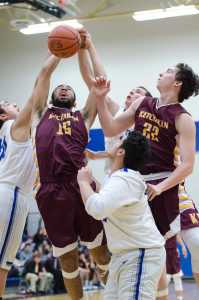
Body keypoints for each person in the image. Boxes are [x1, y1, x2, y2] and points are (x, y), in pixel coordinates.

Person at [89, 63, 199, 300]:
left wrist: (160, 187)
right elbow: (110, 129)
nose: (161, 73)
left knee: (195, 243)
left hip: (163, 184)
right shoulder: (142, 103)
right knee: (147, 249)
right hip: (136, 182)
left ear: (177, 83)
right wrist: (100, 99)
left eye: (168, 71)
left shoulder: (183, 118)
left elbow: (188, 165)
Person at [33, 30, 110, 300]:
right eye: (60, 87)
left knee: (100, 250)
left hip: (81, 187)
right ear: (53, 95)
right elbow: (43, 75)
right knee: (66, 258)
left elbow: (97, 84)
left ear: (74, 98)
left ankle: (114, 292)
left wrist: (84, 47)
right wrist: (58, 49)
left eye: (68, 87)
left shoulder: (83, 115)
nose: (64, 87)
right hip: (51, 190)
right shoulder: (41, 112)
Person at [77, 131, 166, 300]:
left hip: (139, 254)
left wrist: (82, 182)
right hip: (124, 254)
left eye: (119, 140)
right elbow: (104, 197)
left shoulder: (124, 179)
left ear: (120, 151)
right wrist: (91, 184)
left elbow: (97, 208)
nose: (114, 141)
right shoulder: (120, 178)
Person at [0, 96, 36, 299]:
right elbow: (35, 98)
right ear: (4, 115)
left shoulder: (7, 135)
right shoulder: (12, 125)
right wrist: (53, 62)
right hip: (11, 194)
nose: (15, 104)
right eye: (9, 104)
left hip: (6, 189)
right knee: (3, 263)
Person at [166, 234, 187, 300]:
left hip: (173, 252)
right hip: (163, 252)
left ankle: (179, 298)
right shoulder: (158, 225)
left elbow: (177, 235)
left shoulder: (174, 224)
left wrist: (183, 246)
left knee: (177, 277)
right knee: (166, 278)